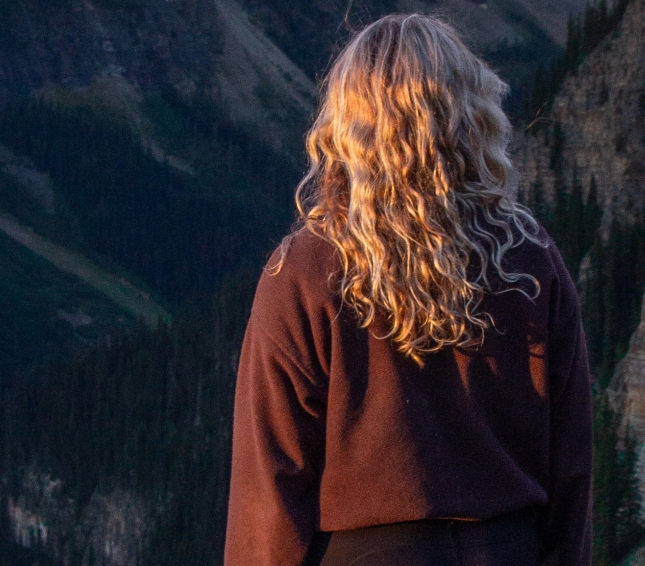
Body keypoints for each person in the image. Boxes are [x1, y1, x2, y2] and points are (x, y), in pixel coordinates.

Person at [224, 13, 593, 566]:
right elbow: (570, 463)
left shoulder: (303, 269)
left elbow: (271, 486)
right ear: (470, 115)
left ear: (347, 124)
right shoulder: (529, 254)